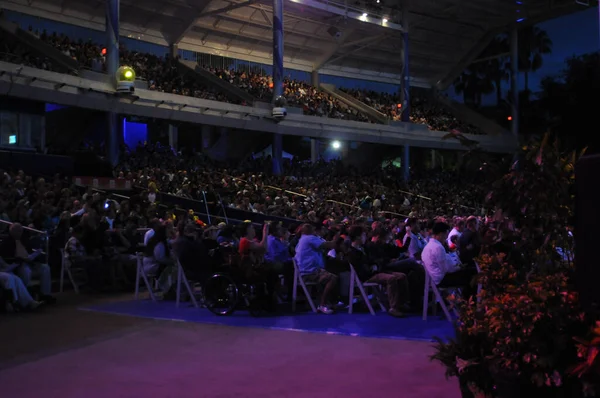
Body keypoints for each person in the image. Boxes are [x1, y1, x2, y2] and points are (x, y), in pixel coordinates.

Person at [346, 226, 408, 317]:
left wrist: (375, 264)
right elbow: (362, 270)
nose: (365, 236)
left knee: (402, 276)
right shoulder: (351, 252)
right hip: (368, 276)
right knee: (391, 278)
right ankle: (393, 308)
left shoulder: (363, 247)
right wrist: (372, 267)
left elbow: (371, 260)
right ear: (357, 236)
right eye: (363, 234)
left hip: (375, 271)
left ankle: (401, 303)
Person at [0, 223, 55, 303]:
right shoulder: (6, 243)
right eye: (17, 231)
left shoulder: (24, 240)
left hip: (30, 263)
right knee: (26, 270)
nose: (19, 232)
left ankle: (45, 294)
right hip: (18, 265)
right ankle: (26, 296)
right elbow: (6, 258)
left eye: (20, 231)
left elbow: (29, 252)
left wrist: (33, 256)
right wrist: (19, 260)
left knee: (45, 267)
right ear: (11, 231)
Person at [422, 222, 476, 299]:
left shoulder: (429, 245)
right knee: (472, 274)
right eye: (445, 236)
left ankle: (466, 299)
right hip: (441, 279)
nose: (446, 238)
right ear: (441, 234)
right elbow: (446, 269)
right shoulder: (437, 247)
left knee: (470, 270)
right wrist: (459, 267)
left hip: (437, 277)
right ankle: (468, 300)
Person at [294, 223, 340, 314]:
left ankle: (327, 302)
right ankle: (322, 305)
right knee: (332, 278)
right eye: (310, 228)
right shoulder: (309, 238)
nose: (313, 229)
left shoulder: (303, 239)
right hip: (310, 272)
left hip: (308, 271)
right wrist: (337, 237)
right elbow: (328, 245)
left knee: (330, 274)